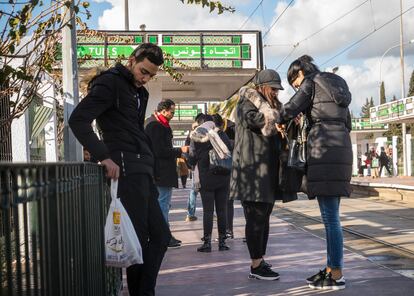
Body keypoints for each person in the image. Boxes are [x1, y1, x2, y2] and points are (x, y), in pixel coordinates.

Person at [69, 43, 171, 296]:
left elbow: (135, 130)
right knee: (139, 237)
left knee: (160, 236)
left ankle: (144, 291)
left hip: (142, 168)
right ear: (131, 60)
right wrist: (103, 156)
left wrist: (152, 165)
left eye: (150, 75)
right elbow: (78, 119)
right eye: (143, 71)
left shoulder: (140, 92)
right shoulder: (109, 83)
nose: (144, 78)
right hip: (125, 169)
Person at [278, 55, 352, 290]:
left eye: (294, 82)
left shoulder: (311, 82)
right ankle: (331, 268)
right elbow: (347, 123)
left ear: (301, 72)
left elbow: (290, 108)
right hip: (341, 150)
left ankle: (337, 273)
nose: (296, 87)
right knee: (332, 216)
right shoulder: (336, 87)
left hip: (323, 150)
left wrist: (280, 119)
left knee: (331, 218)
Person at [230, 69, 284, 281]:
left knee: (264, 218)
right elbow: (255, 120)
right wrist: (278, 115)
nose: (276, 93)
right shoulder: (246, 104)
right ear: (262, 87)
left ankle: (260, 259)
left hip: (265, 171)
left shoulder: (268, 106)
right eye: (273, 88)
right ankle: (256, 264)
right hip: (252, 173)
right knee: (256, 219)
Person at [145, 99, 189, 249]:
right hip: (160, 173)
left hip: (161, 172)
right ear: (163, 111)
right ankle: (164, 237)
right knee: (162, 205)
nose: (173, 114)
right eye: (172, 111)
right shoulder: (155, 125)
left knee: (163, 204)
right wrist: (179, 151)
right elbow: (159, 151)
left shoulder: (157, 123)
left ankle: (164, 235)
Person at [188, 114, 232, 252]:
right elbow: (229, 150)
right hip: (223, 176)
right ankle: (222, 242)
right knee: (221, 210)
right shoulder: (221, 133)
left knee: (208, 211)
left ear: (201, 123)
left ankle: (207, 243)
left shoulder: (197, 135)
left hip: (206, 177)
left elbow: (192, 157)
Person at [212, 113, 236, 239]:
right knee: (226, 203)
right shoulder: (224, 134)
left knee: (223, 204)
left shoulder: (219, 134)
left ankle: (226, 231)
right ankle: (227, 230)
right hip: (227, 172)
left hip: (220, 173)